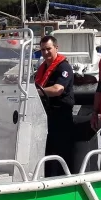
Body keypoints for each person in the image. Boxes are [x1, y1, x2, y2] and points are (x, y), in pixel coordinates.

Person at [35, 35, 76, 177]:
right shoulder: (43, 68)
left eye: (48, 49)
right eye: (42, 50)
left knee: (60, 151)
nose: (45, 53)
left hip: (61, 116)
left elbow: (58, 89)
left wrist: (36, 92)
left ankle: (63, 179)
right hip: (45, 116)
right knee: (48, 150)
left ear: (56, 48)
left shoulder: (64, 67)